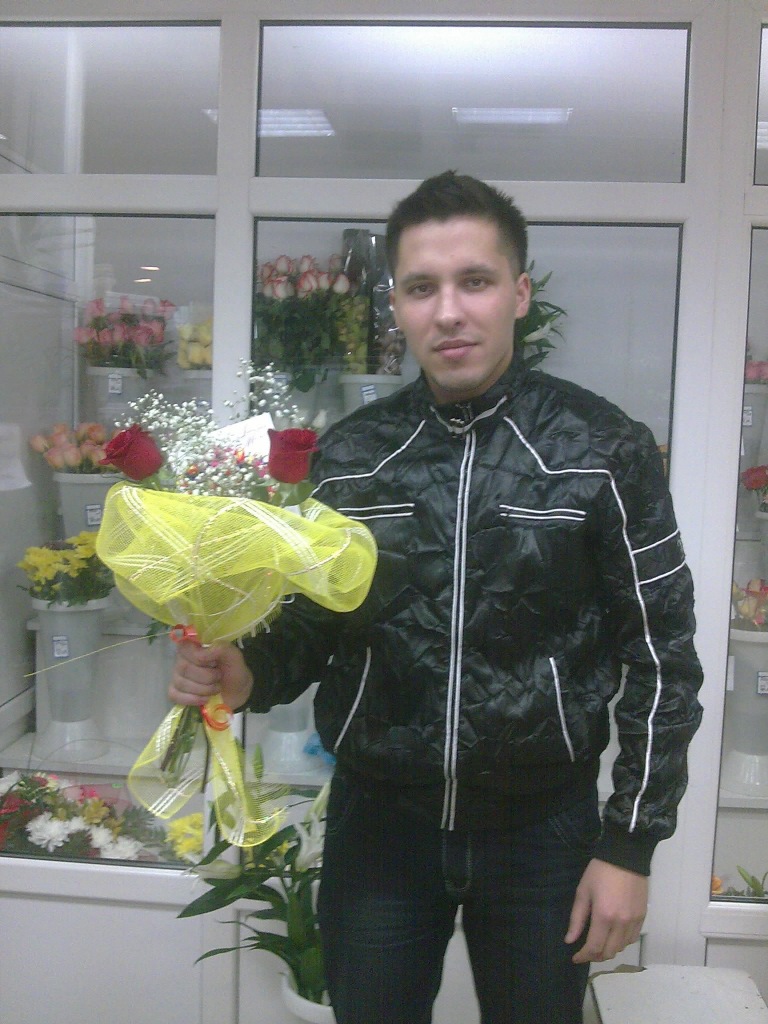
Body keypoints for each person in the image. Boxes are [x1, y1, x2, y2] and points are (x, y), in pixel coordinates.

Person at [170, 171, 703, 1024]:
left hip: (543, 834)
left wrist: (630, 845)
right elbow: (316, 626)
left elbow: (663, 658)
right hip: (379, 830)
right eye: (422, 288)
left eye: (475, 281)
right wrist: (246, 671)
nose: (448, 311)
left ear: (519, 294)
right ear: (397, 305)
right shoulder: (353, 458)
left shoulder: (603, 449)